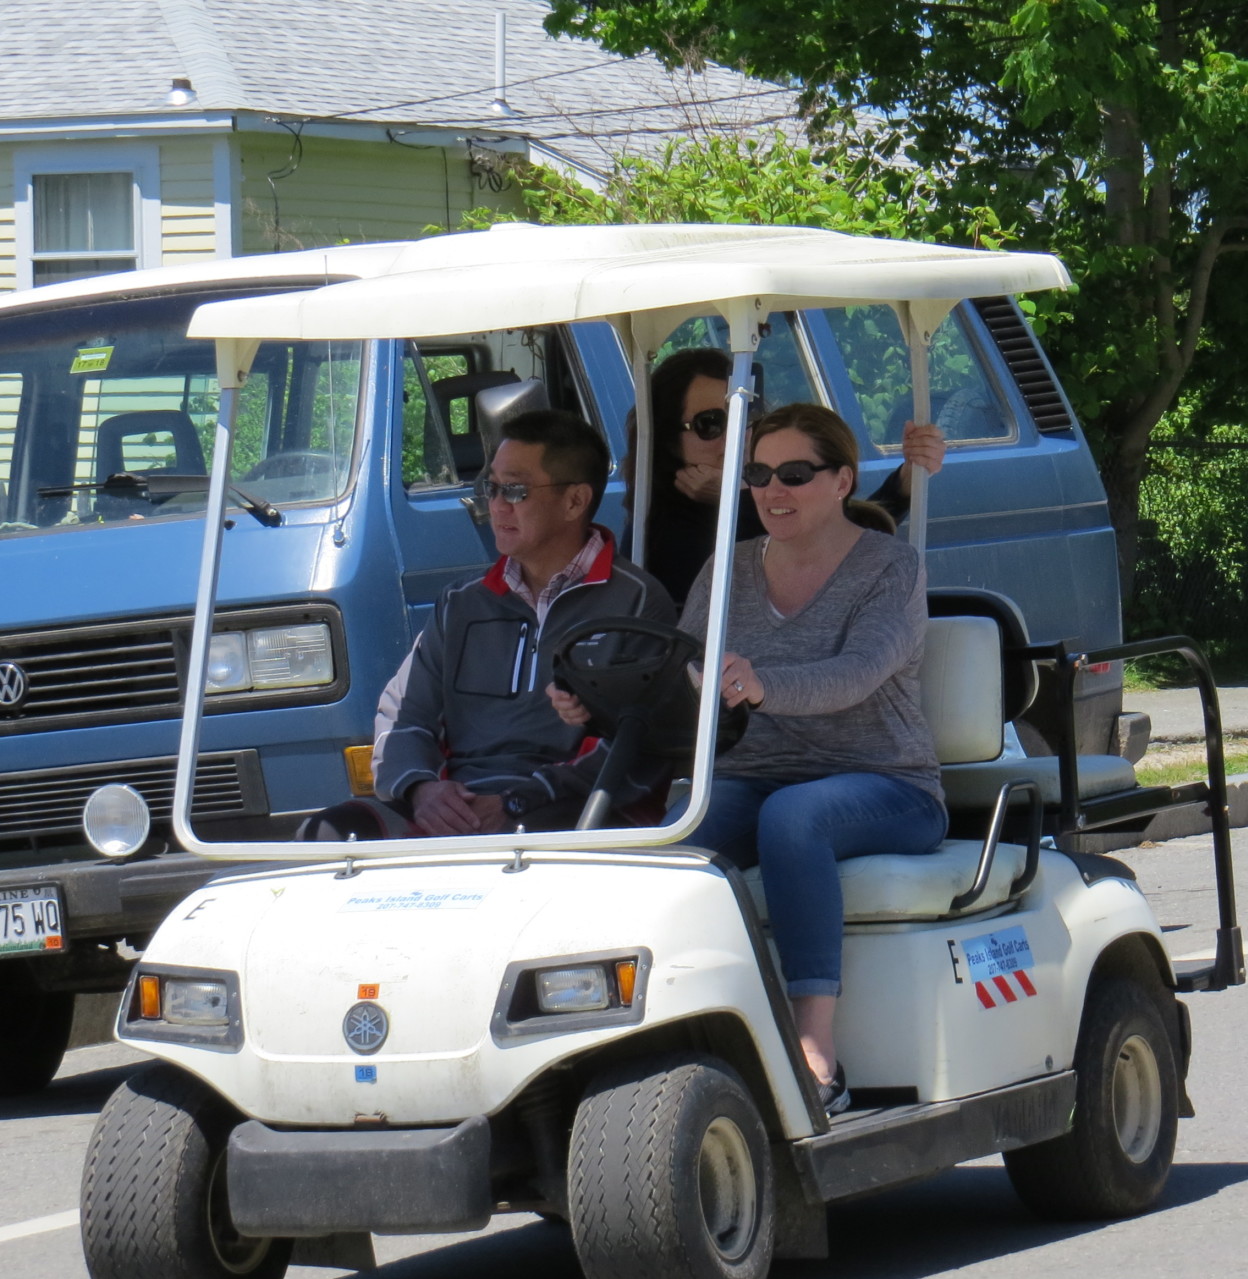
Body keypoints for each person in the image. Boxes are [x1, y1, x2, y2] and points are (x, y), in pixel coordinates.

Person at [555, 401, 944, 1114]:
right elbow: (684, 673)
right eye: (759, 474)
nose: (772, 490)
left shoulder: (892, 566)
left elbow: (857, 674)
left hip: (886, 783)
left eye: (794, 473)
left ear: (841, 481)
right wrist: (599, 702)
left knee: (795, 819)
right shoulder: (728, 567)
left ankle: (814, 1047)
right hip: (753, 775)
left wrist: (763, 687)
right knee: (671, 841)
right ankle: (660, 1032)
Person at [306, 409, 675, 839]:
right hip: (459, 806)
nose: (496, 505)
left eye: (515, 490)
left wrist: (520, 799)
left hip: (570, 808)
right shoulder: (461, 602)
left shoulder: (637, 601)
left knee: (524, 844)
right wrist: (422, 789)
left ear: (575, 501)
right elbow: (404, 715)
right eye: (491, 487)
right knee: (328, 832)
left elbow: (640, 746)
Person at [638, 347, 947, 604]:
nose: (736, 435)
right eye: (710, 423)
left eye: (745, 415)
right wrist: (738, 498)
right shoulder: (657, 526)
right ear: (669, 439)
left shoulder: (754, 491)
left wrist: (907, 480)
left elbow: (845, 532)